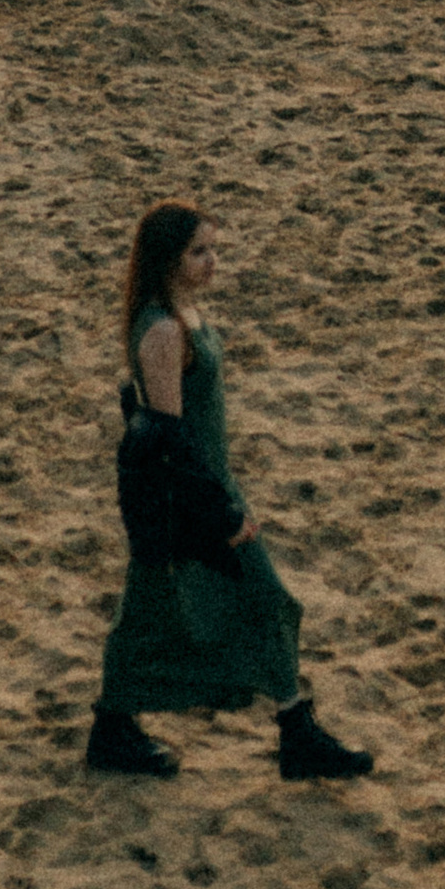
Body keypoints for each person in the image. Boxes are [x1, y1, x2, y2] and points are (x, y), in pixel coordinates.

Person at [86, 201, 374, 782]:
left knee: (153, 608)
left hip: (208, 485)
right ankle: (294, 733)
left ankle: (116, 727)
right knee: (253, 600)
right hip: (189, 498)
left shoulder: (182, 315)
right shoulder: (163, 331)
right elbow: (168, 438)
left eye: (213, 249)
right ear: (167, 258)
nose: (211, 261)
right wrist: (221, 514)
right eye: (198, 251)